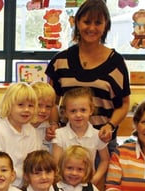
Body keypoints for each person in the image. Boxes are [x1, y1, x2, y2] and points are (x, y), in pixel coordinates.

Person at [45, 0, 131, 149]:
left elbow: (124, 104)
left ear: (106, 26)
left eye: (98, 23)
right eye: (87, 22)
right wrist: (54, 124)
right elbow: (51, 102)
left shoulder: (116, 63)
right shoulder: (60, 61)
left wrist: (110, 125)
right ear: (77, 22)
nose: (92, 28)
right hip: (68, 142)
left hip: (101, 142)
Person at [52, 87, 109, 187]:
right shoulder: (59, 135)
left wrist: (96, 178)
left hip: (88, 184)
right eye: (73, 111)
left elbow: (105, 160)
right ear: (65, 112)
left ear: (91, 110)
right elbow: (56, 164)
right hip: (65, 185)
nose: (78, 115)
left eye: (83, 110)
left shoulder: (97, 135)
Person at [0, 82, 42, 188]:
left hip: (26, 185)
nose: (26, 109)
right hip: (3, 185)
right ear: (9, 105)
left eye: (30, 106)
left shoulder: (31, 131)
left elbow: (34, 161)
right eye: (20, 105)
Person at [30, 82, 58, 154]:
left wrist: (47, 140)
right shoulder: (20, 127)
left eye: (48, 106)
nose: (43, 110)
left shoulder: (49, 131)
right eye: (39, 105)